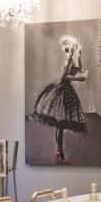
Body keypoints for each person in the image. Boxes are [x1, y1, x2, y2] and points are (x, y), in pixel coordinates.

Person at [28, 34, 88, 163]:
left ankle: (59, 151)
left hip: (67, 91)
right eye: (72, 47)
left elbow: (80, 69)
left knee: (60, 124)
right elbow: (63, 78)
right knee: (59, 124)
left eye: (73, 47)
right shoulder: (68, 60)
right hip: (62, 90)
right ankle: (59, 151)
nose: (73, 49)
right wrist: (79, 78)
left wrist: (80, 57)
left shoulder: (72, 59)